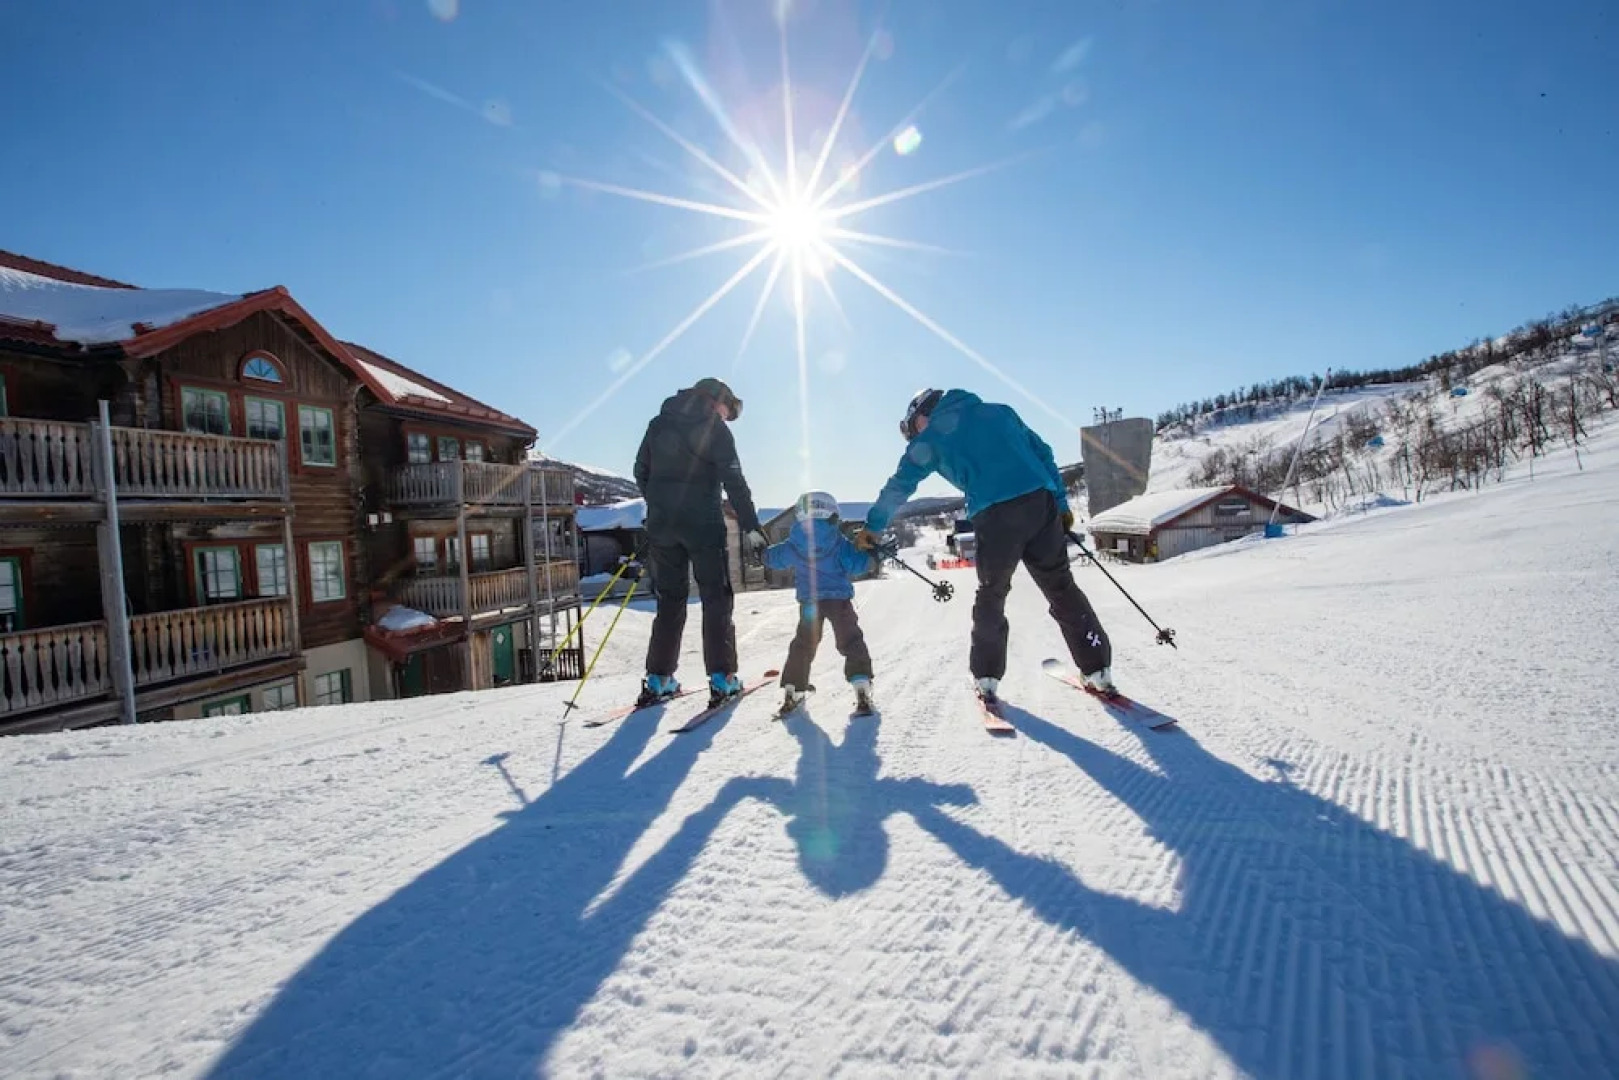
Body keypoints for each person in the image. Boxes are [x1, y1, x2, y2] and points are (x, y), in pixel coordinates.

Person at [855, 388, 1114, 703]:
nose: (916, 435)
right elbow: (1042, 452)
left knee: (992, 594)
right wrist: (1059, 503)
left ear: (923, 415)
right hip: (1039, 503)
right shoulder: (1000, 411)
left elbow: (900, 484)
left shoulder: (931, 437)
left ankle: (987, 678)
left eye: (914, 428)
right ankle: (1098, 670)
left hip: (994, 515)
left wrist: (873, 526)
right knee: (1061, 587)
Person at [633, 377, 767, 707]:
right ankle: (723, 679)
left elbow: (640, 471)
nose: (726, 417)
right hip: (702, 525)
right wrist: (751, 526)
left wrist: (660, 505)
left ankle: (658, 679)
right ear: (716, 400)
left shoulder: (658, 423)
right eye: (727, 409)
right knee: (715, 596)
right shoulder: (715, 429)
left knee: (670, 599)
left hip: (663, 526)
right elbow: (734, 481)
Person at [761, 490, 879, 714]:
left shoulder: (795, 541)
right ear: (831, 513)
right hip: (839, 601)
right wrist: (871, 557)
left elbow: (775, 559)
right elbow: (856, 564)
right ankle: (861, 685)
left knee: (803, 644)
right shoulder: (838, 540)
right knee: (851, 640)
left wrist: (763, 554)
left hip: (809, 603)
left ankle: (792, 690)